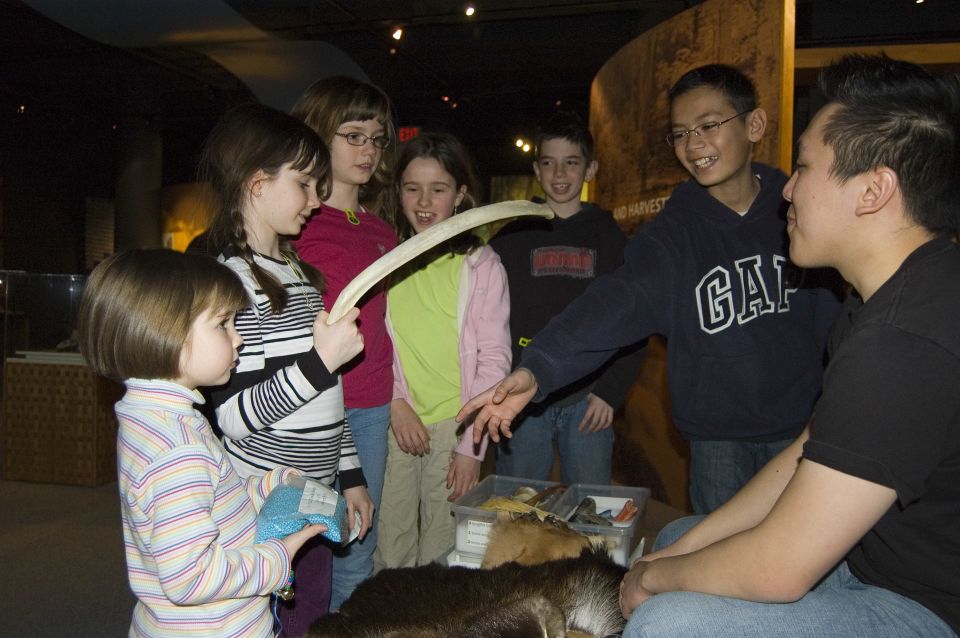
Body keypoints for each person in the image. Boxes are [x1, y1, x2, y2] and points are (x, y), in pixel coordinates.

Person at [615, 54, 960, 638]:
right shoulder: (883, 295)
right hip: (863, 559)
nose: (788, 190)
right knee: (676, 538)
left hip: (923, 604)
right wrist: (673, 557)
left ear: (874, 190)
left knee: (666, 621)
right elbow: (811, 447)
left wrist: (651, 583)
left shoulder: (902, 341)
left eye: (803, 167)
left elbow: (781, 568)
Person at [460, 66, 842, 513]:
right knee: (718, 569)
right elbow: (613, 305)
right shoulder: (671, 236)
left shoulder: (799, 211)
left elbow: (838, 316)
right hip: (717, 442)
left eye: (709, 126)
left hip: (802, 430)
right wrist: (536, 370)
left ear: (753, 124)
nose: (694, 144)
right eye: (680, 133)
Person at [76, 248, 326, 637]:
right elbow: (190, 578)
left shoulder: (156, 418)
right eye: (223, 324)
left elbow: (205, 499)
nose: (238, 338)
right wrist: (278, 558)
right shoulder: (178, 446)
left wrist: (265, 485)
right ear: (168, 332)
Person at [201, 103, 373, 637]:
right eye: (304, 183)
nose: (317, 199)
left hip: (313, 496)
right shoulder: (231, 283)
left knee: (311, 617)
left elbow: (330, 398)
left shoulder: (298, 272)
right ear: (257, 184)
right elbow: (233, 414)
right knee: (270, 624)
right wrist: (322, 360)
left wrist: (351, 477)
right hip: (265, 505)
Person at [375, 132, 511, 569]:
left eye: (438, 189)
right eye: (412, 188)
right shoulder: (386, 259)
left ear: (461, 194)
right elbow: (378, 342)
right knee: (390, 540)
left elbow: (494, 358)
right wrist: (396, 401)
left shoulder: (482, 263)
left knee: (440, 546)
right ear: (398, 193)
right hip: (400, 418)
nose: (423, 201)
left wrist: (472, 446)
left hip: (456, 424)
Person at [290, 76, 398, 608]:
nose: (368, 150)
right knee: (301, 549)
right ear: (319, 135)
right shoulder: (298, 226)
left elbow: (389, 324)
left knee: (359, 544)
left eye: (376, 138)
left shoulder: (381, 227)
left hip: (371, 404)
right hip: (310, 406)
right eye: (353, 135)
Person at [488, 112, 641, 486]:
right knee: (516, 504)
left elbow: (633, 319)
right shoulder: (512, 234)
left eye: (571, 163)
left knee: (588, 510)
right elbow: (486, 315)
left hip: (588, 398)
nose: (559, 175)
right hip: (524, 396)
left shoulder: (610, 239)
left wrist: (610, 392)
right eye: (549, 163)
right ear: (536, 171)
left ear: (590, 169)